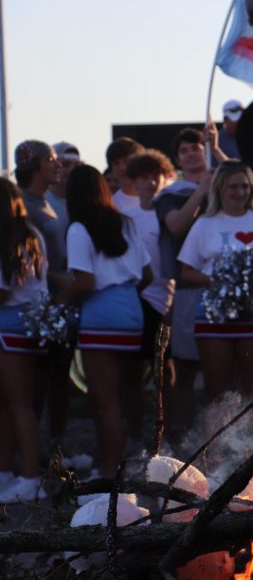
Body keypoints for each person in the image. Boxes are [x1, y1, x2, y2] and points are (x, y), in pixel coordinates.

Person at [56, 164, 151, 479]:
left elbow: (84, 281)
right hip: (131, 309)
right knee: (123, 395)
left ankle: (110, 474)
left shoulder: (78, 228)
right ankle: (112, 464)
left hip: (101, 313)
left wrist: (58, 301)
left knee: (104, 400)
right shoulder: (125, 223)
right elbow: (147, 274)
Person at [177, 161, 253, 400]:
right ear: (219, 189)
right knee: (218, 391)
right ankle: (219, 437)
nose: (240, 192)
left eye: (245, 187)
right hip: (213, 317)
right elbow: (186, 271)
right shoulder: (204, 224)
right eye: (233, 187)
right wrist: (220, 282)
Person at [13, 140, 77, 465]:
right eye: (52, 159)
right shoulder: (22, 205)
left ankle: (55, 447)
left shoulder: (47, 201)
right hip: (37, 308)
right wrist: (62, 280)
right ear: (37, 164)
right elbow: (25, 265)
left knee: (57, 378)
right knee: (34, 385)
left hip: (58, 305)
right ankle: (32, 454)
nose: (58, 165)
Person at [153, 128, 212, 443]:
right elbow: (176, 225)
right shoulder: (171, 193)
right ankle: (180, 436)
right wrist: (201, 192)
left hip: (226, 289)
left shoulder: (225, 183)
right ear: (177, 159)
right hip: (189, 288)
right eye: (185, 150)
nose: (192, 154)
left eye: (198, 148)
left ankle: (221, 436)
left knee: (223, 371)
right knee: (186, 368)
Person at [121, 150, 177, 452]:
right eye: (144, 175)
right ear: (134, 180)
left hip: (163, 298)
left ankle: (164, 433)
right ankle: (134, 433)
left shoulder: (167, 212)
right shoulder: (126, 217)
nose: (150, 181)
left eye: (156, 174)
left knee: (165, 370)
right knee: (133, 371)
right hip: (133, 297)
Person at [0, 178, 48, 502]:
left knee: (18, 404)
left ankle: (30, 478)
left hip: (10, 325)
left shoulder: (7, 238)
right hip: (26, 325)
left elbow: (3, 292)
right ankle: (5, 472)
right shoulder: (33, 234)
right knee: (9, 405)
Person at [46, 141, 80, 230]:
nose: (72, 169)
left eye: (76, 165)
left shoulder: (84, 200)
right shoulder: (41, 202)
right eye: (66, 164)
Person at [107, 137, 145, 212]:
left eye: (127, 161)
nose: (122, 168)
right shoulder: (109, 205)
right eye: (116, 163)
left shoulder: (159, 201)